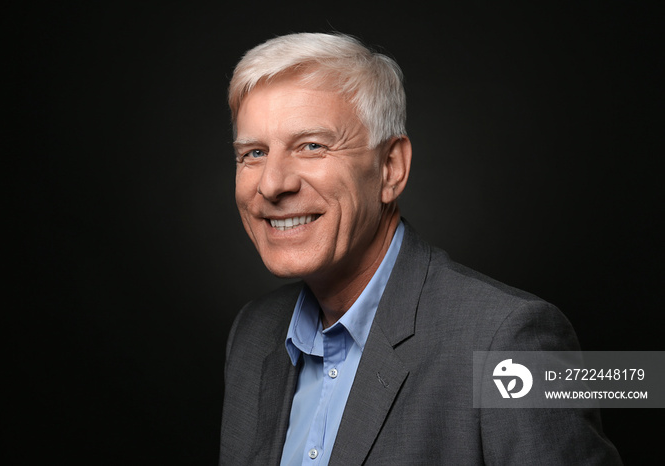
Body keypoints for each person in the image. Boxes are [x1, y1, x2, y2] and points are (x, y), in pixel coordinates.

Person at [220, 32, 621, 465]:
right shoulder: (253, 333)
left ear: (391, 168)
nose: (273, 183)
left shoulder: (508, 343)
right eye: (254, 153)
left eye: (312, 146)